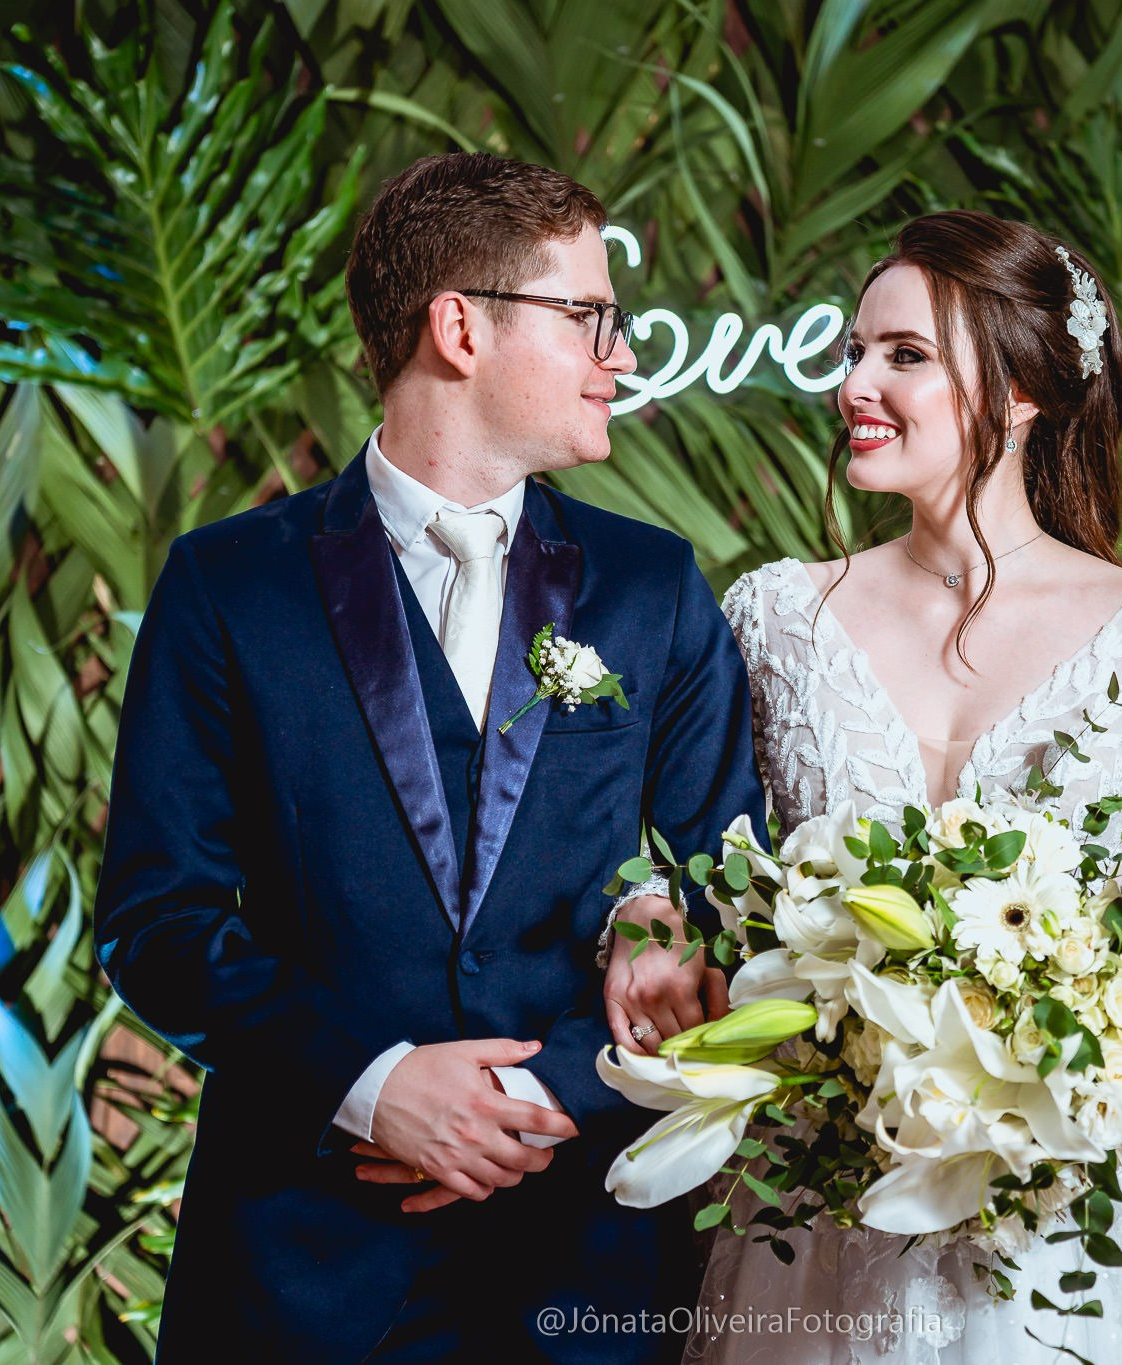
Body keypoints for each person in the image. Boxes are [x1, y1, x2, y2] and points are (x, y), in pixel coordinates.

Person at [95, 151, 763, 1363]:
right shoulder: (227, 586)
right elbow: (157, 922)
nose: (621, 356)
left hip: (585, 1271)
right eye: (588, 316)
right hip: (299, 1276)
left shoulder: (652, 588)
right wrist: (369, 1083)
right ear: (459, 328)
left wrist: (544, 1092)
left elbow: (739, 898)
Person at [607, 209, 1122, 1363]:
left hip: (1075, 1195)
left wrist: (1053, 1038)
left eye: (903, 355)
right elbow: (703, 858)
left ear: (1017, 395)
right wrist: (647, 912)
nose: (854, 385)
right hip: (833, 1201)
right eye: (853, 351)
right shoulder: (777, 616)